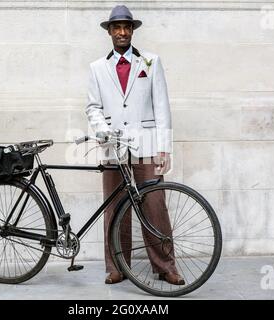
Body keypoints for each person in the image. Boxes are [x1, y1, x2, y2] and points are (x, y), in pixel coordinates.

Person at [85, 5, 184, 285]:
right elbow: (92, 107)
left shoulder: (150, 62)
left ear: (132, 31)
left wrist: (165, 149)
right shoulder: (97, 68)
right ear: (109, 32)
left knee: (155, 208)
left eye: (126, 27)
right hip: (113, 148)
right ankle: (117, 266)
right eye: (116, 27)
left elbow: (162, 107)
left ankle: (165, 267)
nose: (122, 32)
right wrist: (103, 131)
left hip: (147, 148)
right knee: (115, 209)